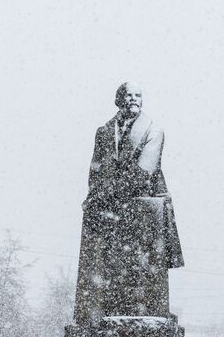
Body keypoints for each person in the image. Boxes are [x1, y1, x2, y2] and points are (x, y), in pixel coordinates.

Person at [75, 82, 184, 323]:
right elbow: (96, 169)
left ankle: (142, 308)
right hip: (111, 202)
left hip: (143, 201)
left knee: (138, 237)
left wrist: (113, 192)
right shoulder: (103, 131)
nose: (134, 99)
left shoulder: (154, 130)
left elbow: (144, 171)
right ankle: (97, 310)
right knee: (95, 219)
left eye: (138, 95)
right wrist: (95, 195)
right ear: (119, 99)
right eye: (129, 95)